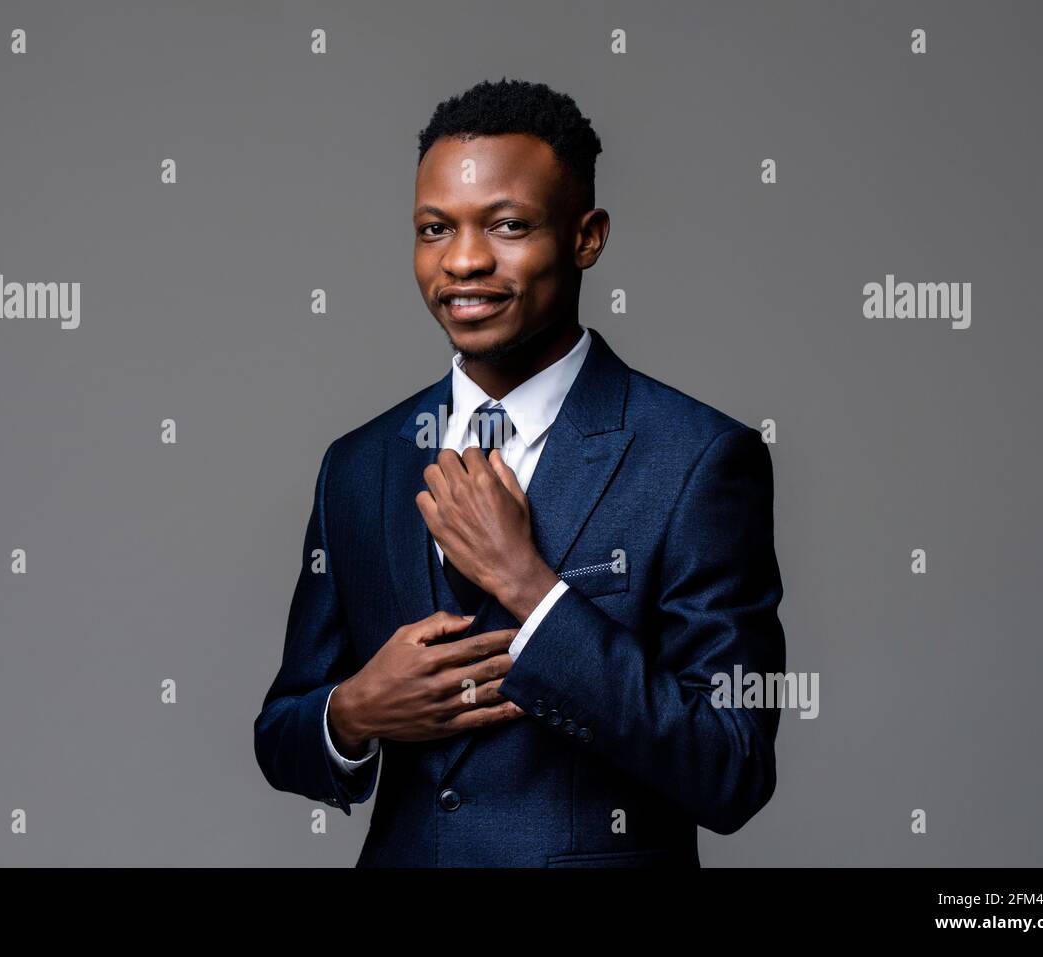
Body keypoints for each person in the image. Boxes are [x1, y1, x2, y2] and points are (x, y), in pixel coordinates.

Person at [255, 78, 786, 867]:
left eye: (507, 225)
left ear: (587, 237)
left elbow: (731, 765)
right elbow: (281, 734)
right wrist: (353, 711)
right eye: (435, 228)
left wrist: (532, 590)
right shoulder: (358, 466)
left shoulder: (697, 459)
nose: (464, 260)